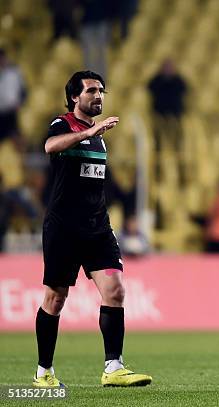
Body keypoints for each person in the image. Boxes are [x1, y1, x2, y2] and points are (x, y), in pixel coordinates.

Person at [34, 70, 152, 388]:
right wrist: (88, 133)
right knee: (55, 299)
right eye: (91, 91)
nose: (98, 95)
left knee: (115, 290)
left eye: (101, 91)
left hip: (97, 227)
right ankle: (44, 372)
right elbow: (50, 146)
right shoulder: (64, 125)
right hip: (63, 227)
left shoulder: (98, 136)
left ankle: (113, 367)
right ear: (75, 97)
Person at [0, 48, 27, 147]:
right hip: (1, 111)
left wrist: (20, 103)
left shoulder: (14, 73)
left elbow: (24, 91)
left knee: (16, 137)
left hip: (12, 111)